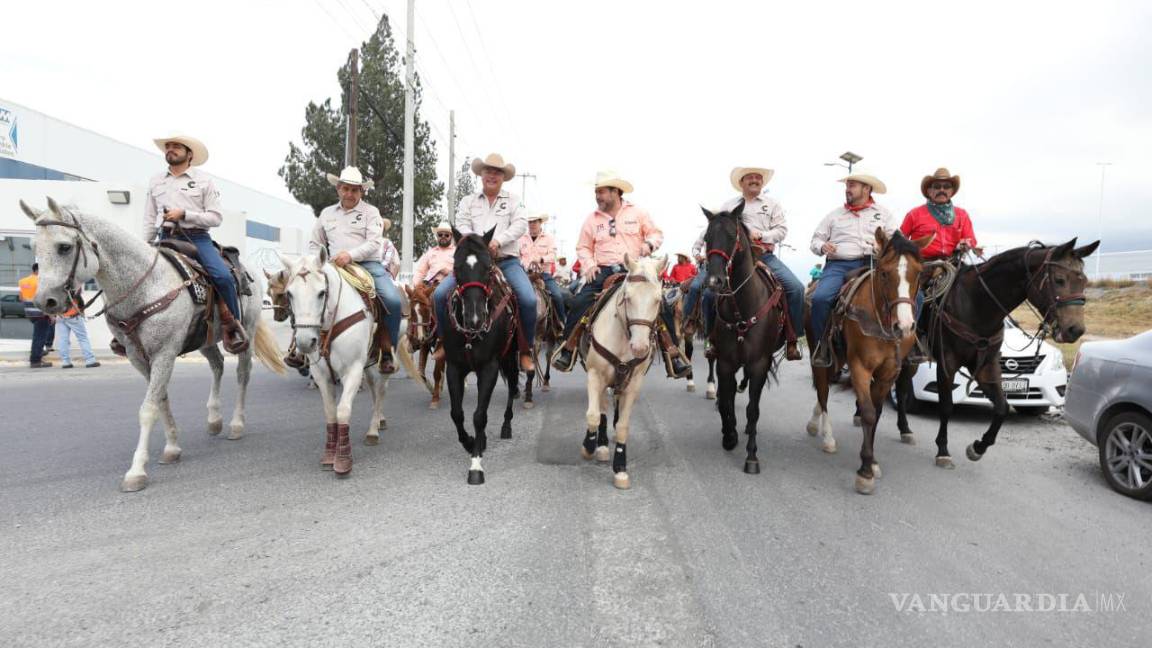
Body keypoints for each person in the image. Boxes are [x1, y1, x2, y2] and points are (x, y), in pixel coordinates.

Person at [551, 170, 691, 378]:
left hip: (634, 269)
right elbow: (583, 247)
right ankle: (568, 349)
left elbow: (656, 234)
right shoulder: (591, 219)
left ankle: (672, 353)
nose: (597, 196)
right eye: (596, 192)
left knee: (660, 304)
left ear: (615, 192)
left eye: (601, 192)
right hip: (603, 270)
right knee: (580, 302)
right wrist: (589, 265)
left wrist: (648, 244)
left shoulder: (638, 213)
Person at [143, 134, 248, 354]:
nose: (170, 149)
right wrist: (145, 244)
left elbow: (216, 218)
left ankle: (233, 326)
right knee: (139, 275)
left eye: (176, 146)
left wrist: (184, 214)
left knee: (223, 276)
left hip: (197, 238)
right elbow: (149, 218)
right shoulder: (155, 181)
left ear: (189, 154)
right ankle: (130, 331)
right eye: (168, 146)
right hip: (165, 237)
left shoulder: (204, 181)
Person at [433, 153, 537, 372]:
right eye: (488, 171)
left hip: (506, 261)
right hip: (474, 264)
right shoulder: (468, 201)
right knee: (439, 295)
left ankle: (525, 350)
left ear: (503, 177)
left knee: (528, 300)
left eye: (497, 172)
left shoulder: (514, 200)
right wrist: (480, 244)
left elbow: (520, 224)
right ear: (481, 174)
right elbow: (461, 225)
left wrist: (498, 241)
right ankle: (443, 341)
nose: (492, 175)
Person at [296, 165, 401, 373]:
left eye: (354, 190)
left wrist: (350, 255)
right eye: (345, 189)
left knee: (393, 300)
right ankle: (299, 348)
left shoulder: (371, 212)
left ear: (362, 191)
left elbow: (374, 242)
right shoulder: (326, 214)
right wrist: (315, 262)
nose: (349, 194)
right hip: (333, 265)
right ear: (339, 189)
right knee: (304, 292)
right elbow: (315, 243)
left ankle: (387, 350)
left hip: (367, 265)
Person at [808, 171, 899, 367]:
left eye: (852, 185)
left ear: (866, 189)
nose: (847, 189)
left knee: (912, 296)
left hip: (874, 264)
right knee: (820, 299)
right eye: (847, 186)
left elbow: (896, 240)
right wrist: (822, 246)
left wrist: (883, 246)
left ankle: (906, 342)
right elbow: (815, 240)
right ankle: (822, 346)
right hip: (839, 265)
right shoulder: (834, 215)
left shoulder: (884, 214)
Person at [899, 167, 981, 362]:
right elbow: (900, 239)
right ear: (929, 191)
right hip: (923, 265)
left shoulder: (961, 215)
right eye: (937, 186)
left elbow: (971, 238)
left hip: (953, 263)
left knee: (978, 291)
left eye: (946, 186)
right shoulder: (915, 214)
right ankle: (913, 339)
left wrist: (966, 243)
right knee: (916, 297)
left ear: (952, 191)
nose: (942, 190)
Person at [724, 167, 803, 359]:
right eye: (750, 177)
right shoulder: (729, 205)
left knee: (796, 288)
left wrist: (762, 235)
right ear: (741, 182)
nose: (755, 180)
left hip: (764, 256)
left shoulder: (772, 204)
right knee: (710, 291)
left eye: (758, 178)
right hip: (736, 259)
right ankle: (711, 338)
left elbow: (781, 230)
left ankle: (793, 339)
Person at [519, 212, 567, 322]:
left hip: (544, 274)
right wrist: (523, 264)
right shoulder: (521, 239)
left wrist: (541, 259)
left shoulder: (549, 238)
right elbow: (517, 256)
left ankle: (561, 323)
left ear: (540, 222)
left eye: (535, 221)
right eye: (530, 222)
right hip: (525, 275)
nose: (532, 224)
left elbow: (553, 256)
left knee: (557, 296)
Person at [19, 263, 53, 368]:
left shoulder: (23, 281)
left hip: (30, 313)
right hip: (41, 314)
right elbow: (45, 299)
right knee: (40, 338)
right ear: (38, 270)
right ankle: (35, 361)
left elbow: (21, 298)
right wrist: (51, 315)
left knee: (37, 336)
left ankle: (37, 357)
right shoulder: (41, 282)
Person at [54, 294, 100, 368]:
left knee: (63, 339)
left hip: (60, 316)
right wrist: (82, 313)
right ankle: (90, 360)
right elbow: (79, 300)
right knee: (82, 338)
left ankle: (65, 362)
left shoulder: (57, 290)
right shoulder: (73, 289)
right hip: (73, 315)